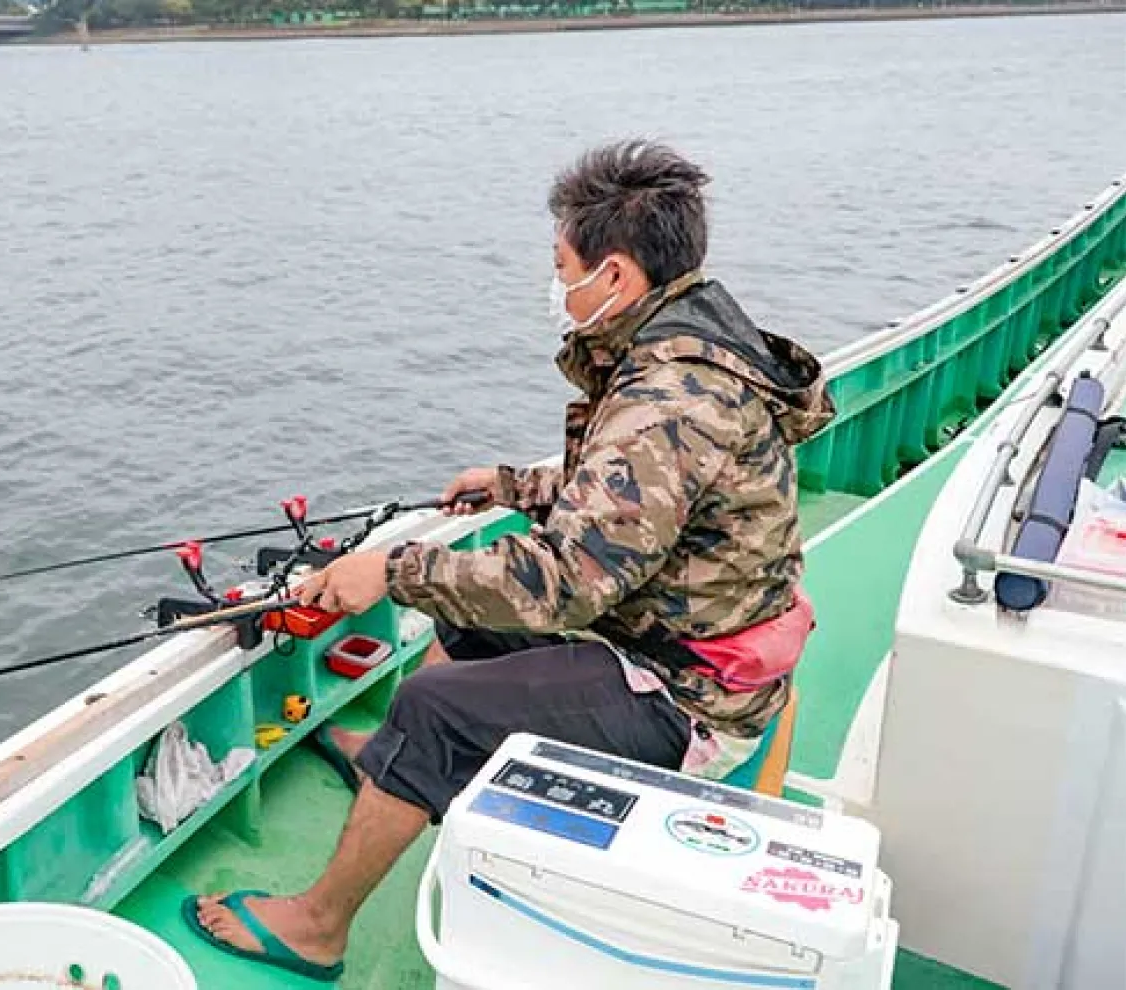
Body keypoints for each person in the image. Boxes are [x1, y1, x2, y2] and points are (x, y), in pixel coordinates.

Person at [184, 138, 836, 983]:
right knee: (462, 617)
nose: (556, 283)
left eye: (563, 265)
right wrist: (512, 485)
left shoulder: (667, 400)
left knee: (434, 703)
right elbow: (644, 491)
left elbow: (563, 583)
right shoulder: (689, 349)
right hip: (675, 630)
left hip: (690, 694)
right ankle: (396, 765)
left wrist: (389, 571)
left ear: (615, 276)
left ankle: (317, 928)